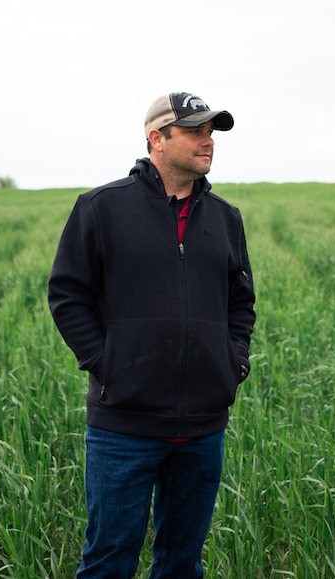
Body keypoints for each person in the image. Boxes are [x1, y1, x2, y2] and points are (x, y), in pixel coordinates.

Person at [48, 92, 256, 578]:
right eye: (195, 131)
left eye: (212, 132)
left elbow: (239, 303)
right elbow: (68, 294)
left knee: (182, 565)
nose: (208, 141)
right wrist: (109, 366)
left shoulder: (226, 218)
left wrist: (233, 364)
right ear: (156, 139)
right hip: (124, 426)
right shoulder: (102, 207)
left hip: (203, 427)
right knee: (107, 564)